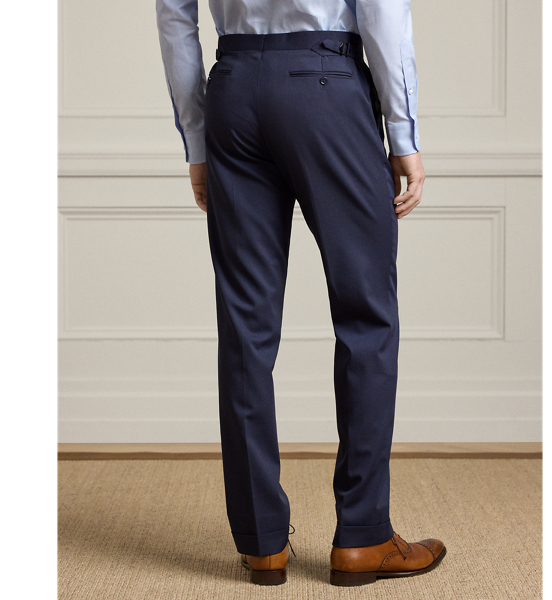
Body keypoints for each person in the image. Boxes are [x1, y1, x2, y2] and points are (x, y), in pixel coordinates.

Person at [156, 0, 446, 587]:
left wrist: (198, 141)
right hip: (326, 86)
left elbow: (174, 18)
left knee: (245, 327)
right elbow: (383, 14)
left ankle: (261, 541)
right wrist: (403, 132)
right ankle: (363, 536)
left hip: (234, 89)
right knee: (366, 315)